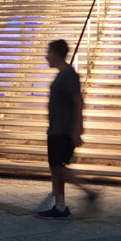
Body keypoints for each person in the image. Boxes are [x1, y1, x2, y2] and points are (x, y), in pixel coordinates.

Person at [37, 39, 97, 219]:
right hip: (56, 128)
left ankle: (86, 190)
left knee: (58, 166)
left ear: (56, 54)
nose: (46, 56)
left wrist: (77, 129)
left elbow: (79, 102)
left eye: (48, 52)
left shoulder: (69, 74)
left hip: (63, 130)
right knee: (55, 167)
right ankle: (60, 206)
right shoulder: (62, 74)